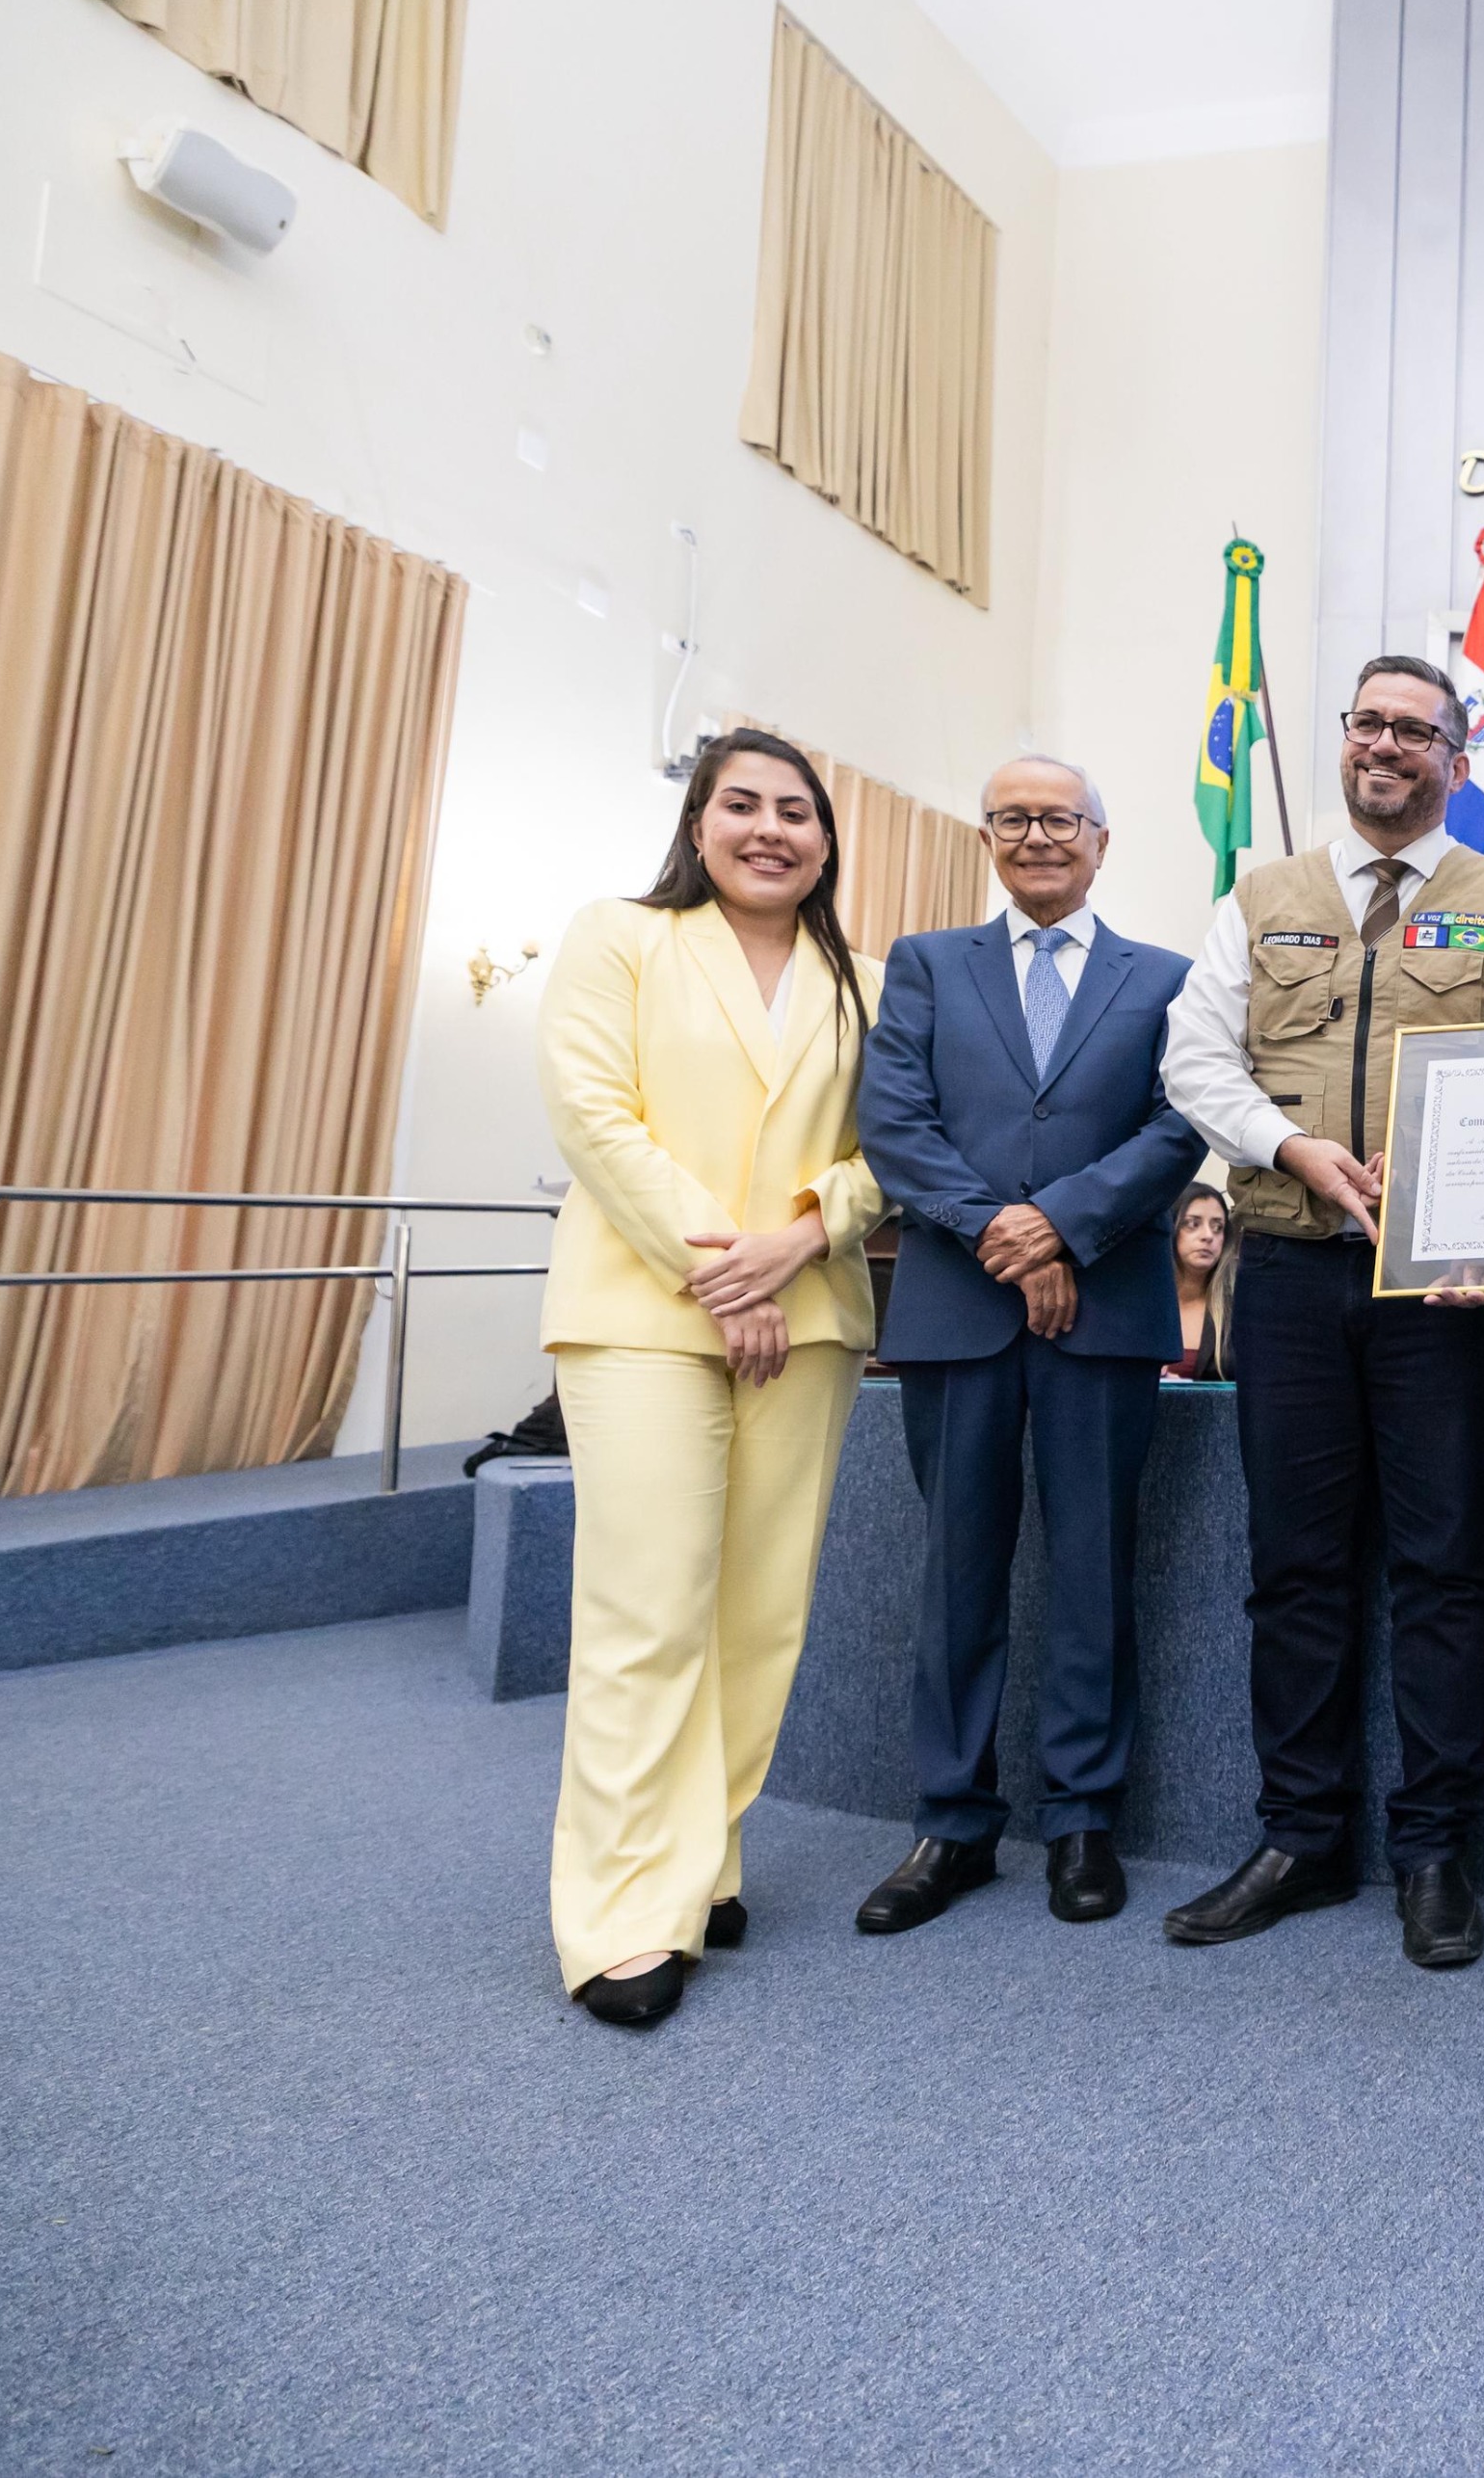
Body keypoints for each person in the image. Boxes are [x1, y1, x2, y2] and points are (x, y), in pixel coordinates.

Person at [1157, 655, 1484, 1969]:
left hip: (1443, 1293)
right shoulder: (1260, 897)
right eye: (1370, 723)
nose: (1389, 745)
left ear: (1457, 755)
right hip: (1283, 1274)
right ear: (1345, 744)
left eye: (1418, 729)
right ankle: (1300, 1836)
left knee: (1445, 1570)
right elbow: (1193, 1060)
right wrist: (1290, 1149)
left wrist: (1465, 1193)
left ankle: (1434, 1849)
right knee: (1295, 1571)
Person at [535, 729, 888, 2028]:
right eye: (742, 805)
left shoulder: (866, 981)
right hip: (640, 1311)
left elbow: (887, 1149)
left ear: (826, 842)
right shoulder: (617, 937)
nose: (770, 829)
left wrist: (800, 1235)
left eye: (798, 811)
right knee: (646, 1612)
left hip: (810, 1316)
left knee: (759, 1615)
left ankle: (704, 1859)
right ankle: (621, 1917)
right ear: (697, 825)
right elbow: (591, 1110)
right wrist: (719, 1272)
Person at [850, 758, 1206, 1938]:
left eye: (1061, 817)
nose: (1038, 834)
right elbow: (893, 1122)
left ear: (1102, 841)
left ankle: (1082, 1817)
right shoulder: (925, 965)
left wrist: (1063, 1224)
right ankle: (950, 1822)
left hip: (1103, 1316)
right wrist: (1003, 1231)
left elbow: (1179, 1125)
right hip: (957, 1309)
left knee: (1093, 1570)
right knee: (957, 1571)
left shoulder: (1165, 979)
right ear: (987, 836)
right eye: (1015, 817)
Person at [1165, 1187, 1232, 1380]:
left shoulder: (1236, 1308)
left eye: (1218, 1227)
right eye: (1193, 1224)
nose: (1208, 1236)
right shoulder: (1142, 1300)